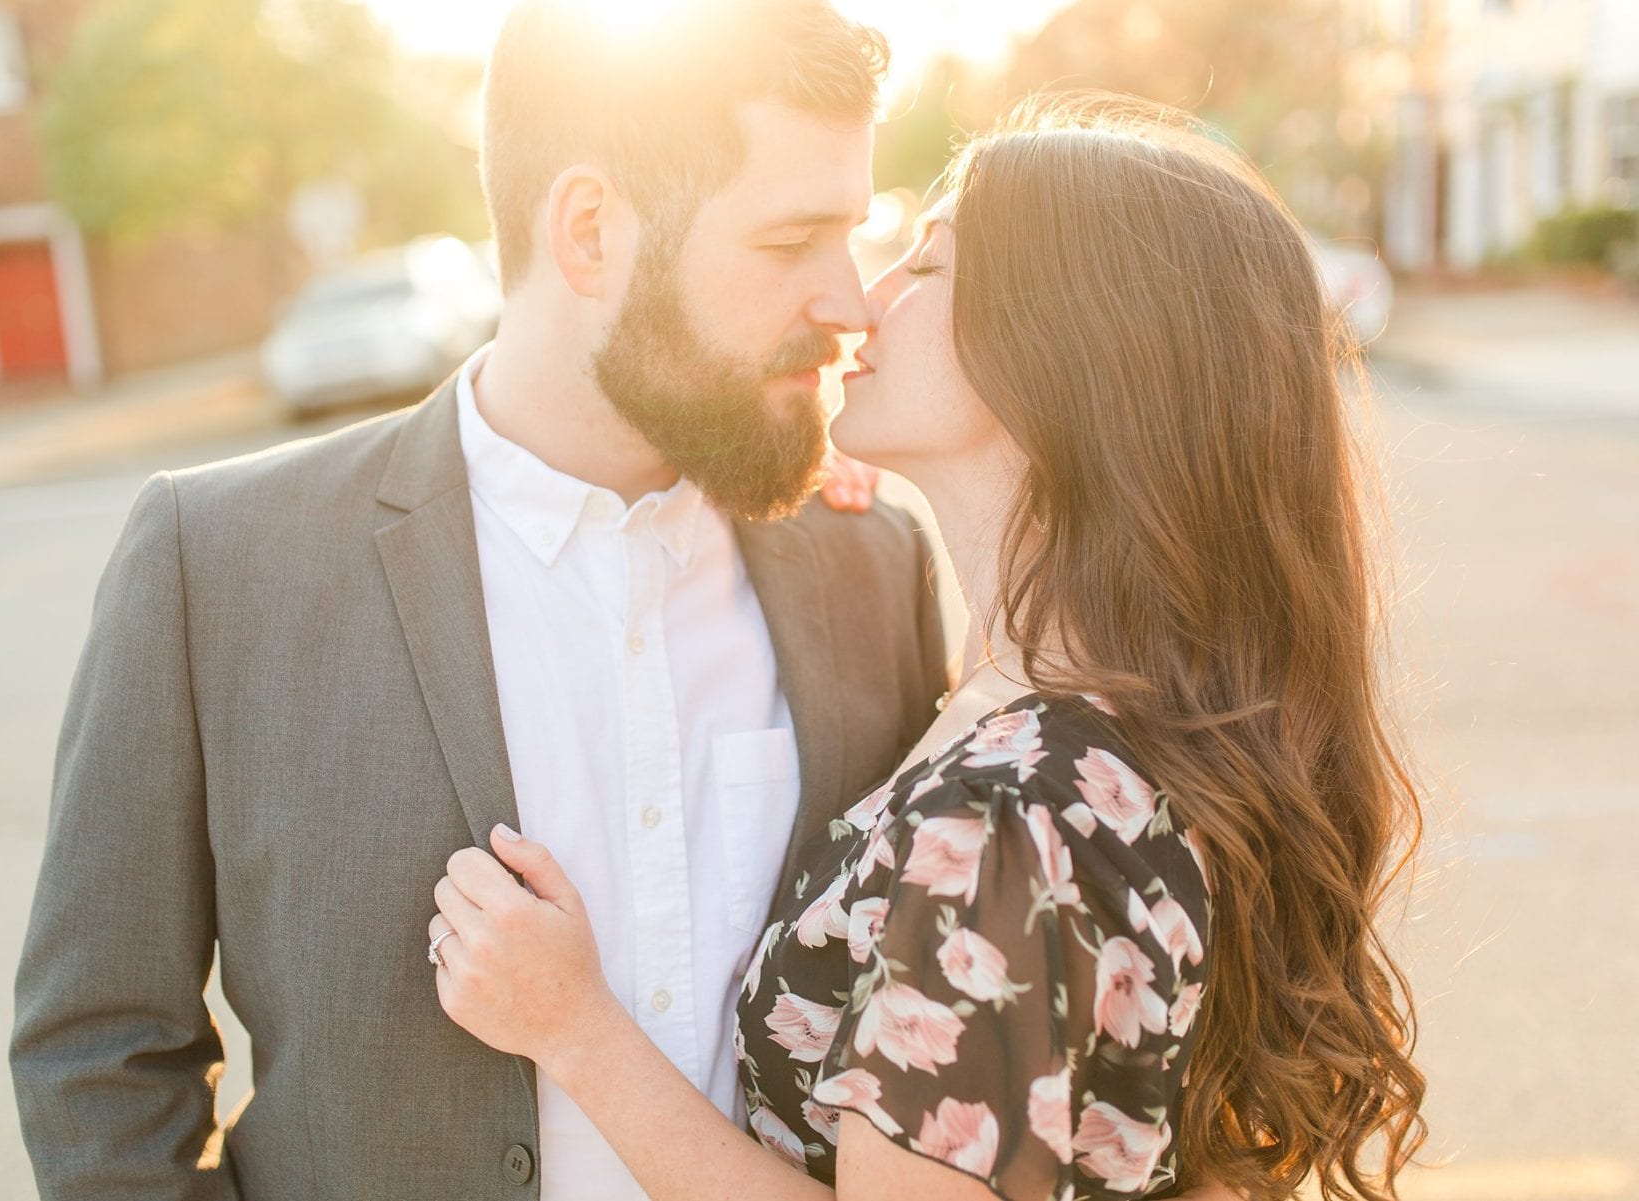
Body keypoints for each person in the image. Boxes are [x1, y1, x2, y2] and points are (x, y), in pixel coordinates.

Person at [11, 3, 952, 1198]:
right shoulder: (219, 565)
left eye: (857, 236)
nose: (852, 301)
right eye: (791, 242)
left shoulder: (875, 563)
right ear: (591, 232)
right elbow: (99, 1053)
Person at [424, 95, 1429, 1201]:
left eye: (927, 263)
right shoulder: (1109, 722)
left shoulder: (1009, 814)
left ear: (1059, 351)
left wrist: (576, 1032)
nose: (865, 298)